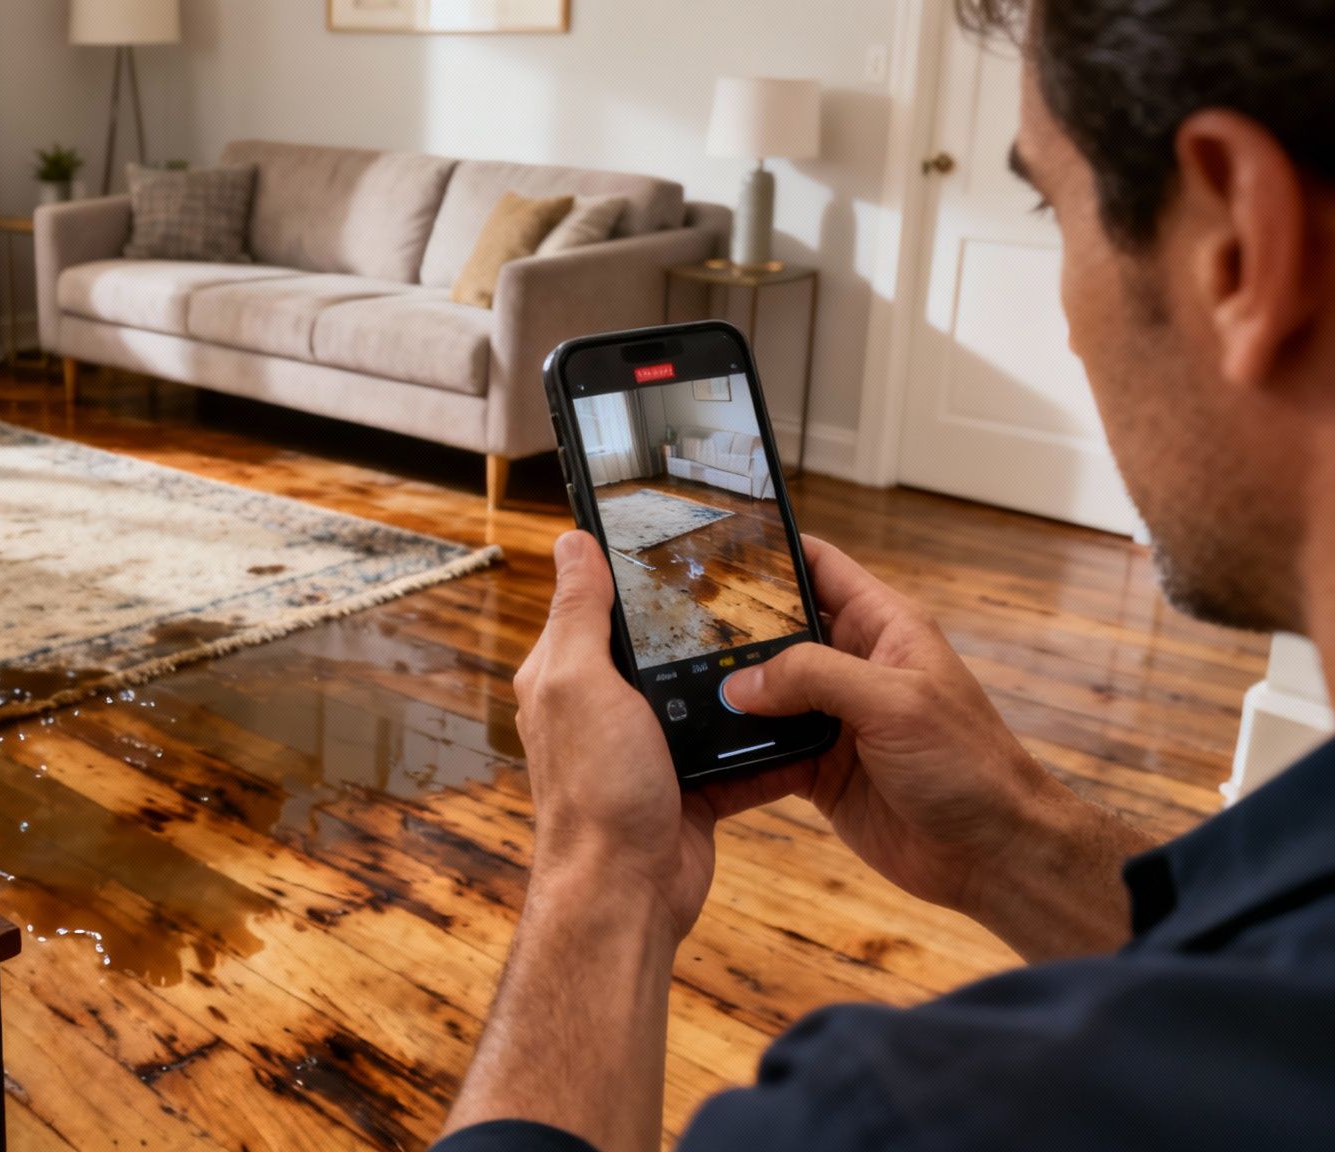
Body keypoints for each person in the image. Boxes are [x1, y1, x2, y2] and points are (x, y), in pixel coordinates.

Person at [434, 0, 1335, 1148]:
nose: (1064, 324)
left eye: (1047, 206)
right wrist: (1008, 837)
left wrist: (598, 869)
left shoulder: (910, 1117)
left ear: (1239, 249)